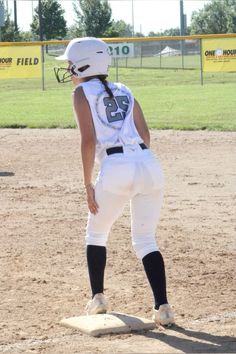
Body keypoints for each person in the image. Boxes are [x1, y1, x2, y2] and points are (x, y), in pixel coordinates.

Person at [54, 37, 174, 326]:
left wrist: (87, 184)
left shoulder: (81, 92)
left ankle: (98, 299)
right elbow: (145, 136)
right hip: (149, 165)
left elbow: (88, 140)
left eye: (71, 65)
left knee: (96, 233)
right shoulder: (125, 89)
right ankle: (163, 307)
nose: (69, 70)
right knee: (145, 239)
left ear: (83, 65)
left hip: (116, 166)